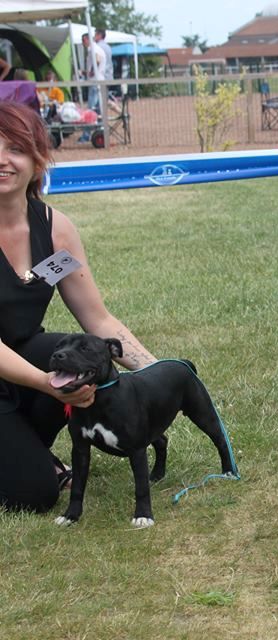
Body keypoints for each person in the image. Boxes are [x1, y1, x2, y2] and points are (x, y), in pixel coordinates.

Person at [0, 101, 156, 513]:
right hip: (19, 372)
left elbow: (97, 319)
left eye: (14, 148)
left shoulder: (56, 232)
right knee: (35, 495)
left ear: (37, 159)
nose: (2, 160)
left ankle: (24, 449)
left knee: (73, 356)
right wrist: (43, 381)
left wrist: (159, 373)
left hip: (22, 362)